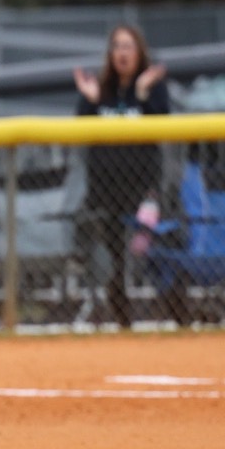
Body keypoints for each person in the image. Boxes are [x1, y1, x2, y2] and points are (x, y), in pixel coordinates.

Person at [74, 25, 171, 327]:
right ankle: (123, 318)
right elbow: (80, 129)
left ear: (139, 51)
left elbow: (162, 124)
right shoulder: (100, 89)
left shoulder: (151, 86)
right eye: (117, 46)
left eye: (128, 46)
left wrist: (142, 94)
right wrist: (89, 100)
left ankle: (173, 311)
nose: (122, 52)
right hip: (105, 188)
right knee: (114, 259)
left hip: (142, 187)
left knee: (148, 251)